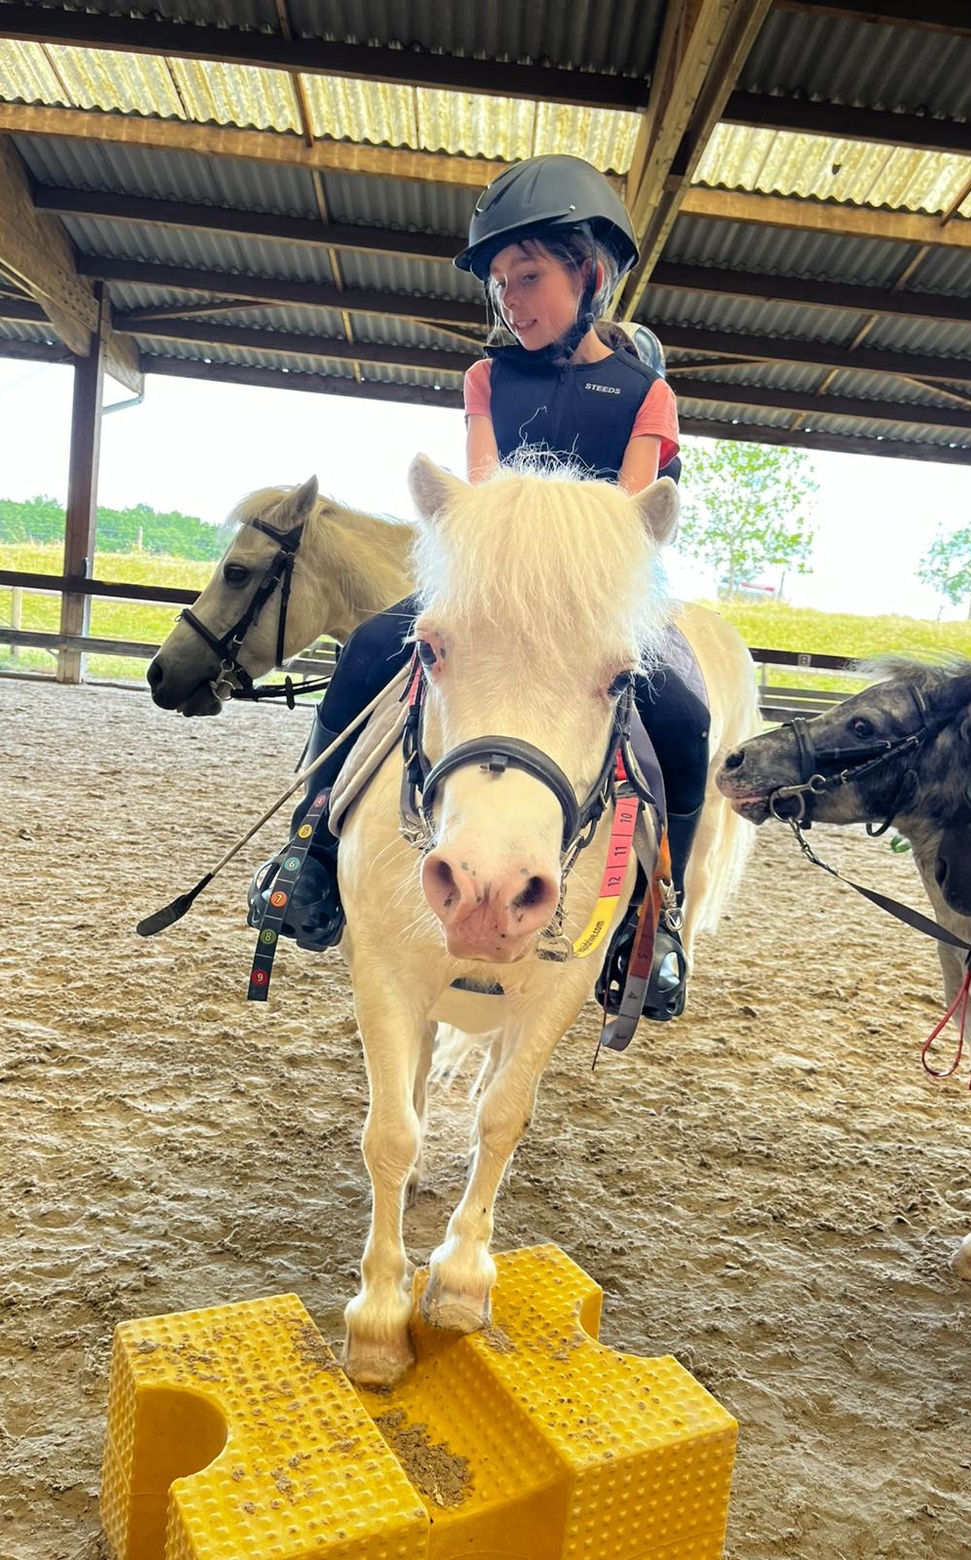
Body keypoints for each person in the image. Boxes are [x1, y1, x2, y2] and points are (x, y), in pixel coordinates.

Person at [248, 154, 709, 1019]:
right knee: (370, 650)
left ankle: (660, 916)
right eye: (499, 284)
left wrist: (571, 570)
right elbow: (482, 501)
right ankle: (308, 850)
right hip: (496, 582)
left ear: (590, 274)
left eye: (527, 277)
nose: (510, 301)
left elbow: (632, 522)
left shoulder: (645, 393)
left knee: (685, 715)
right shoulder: (489, 378)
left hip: (595, 598)